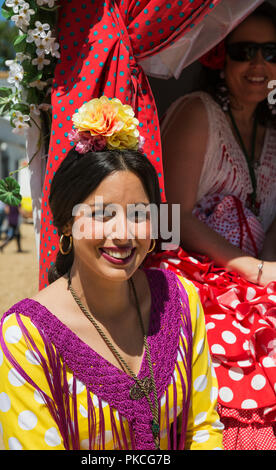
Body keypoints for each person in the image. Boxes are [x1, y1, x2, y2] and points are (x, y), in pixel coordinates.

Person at [0, 97, 223, 450]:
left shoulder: (180, 300)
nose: (124, 233)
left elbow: (203, 427)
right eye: (102, 214)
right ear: (67, 222)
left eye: (140, 213)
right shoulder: (25, 338)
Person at [145, 2, 276, 451]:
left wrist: (267, 270)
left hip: (254, 276)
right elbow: (172, 216)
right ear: (219, 56)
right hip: (194, 271)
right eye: (246, 51)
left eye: (272, 53)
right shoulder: (197, 113)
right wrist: (253, 270)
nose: (259, 65)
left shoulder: (273, 129)